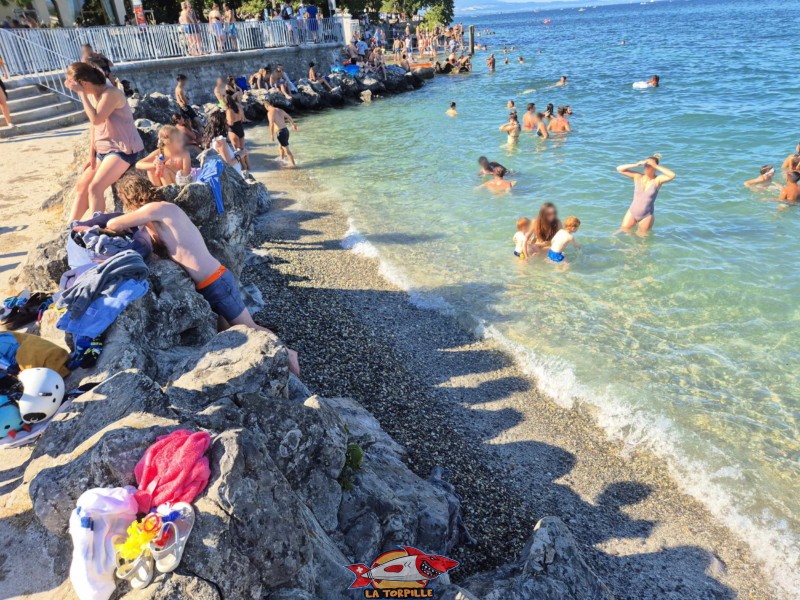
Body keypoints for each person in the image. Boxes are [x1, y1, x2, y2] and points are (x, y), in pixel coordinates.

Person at [107, 174, 300, 376]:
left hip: (216, 281)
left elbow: (114, 225)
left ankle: (288, 354)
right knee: (230, 333)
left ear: (129, 197)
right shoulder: (160, 214)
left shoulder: (156, 208)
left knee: (249, 327)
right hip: (211, 282)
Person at [64, 62, 144, 223]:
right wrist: (91, 153)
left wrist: (82, 94)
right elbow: (94, 127)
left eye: (74, 85)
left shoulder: (111, 94)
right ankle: (71, 227)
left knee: (95, 187)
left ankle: (96, 227)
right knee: (82, 186)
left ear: (84, 83)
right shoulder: (95, 95)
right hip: (103, 150)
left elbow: (96, 119)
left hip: (122, 149)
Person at [615, 156, 676, 235]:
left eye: (649, 166)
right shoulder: (638, 176)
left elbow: (672, 175)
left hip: (646, 216)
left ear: (654, 168)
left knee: (642, 242)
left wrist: (655, 165)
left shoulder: (658, 180)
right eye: (646, 165)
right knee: (623, 231)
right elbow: (619, 169)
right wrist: (636, 165)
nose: (646, 167)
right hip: (632, 212)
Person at [264, 98, 297, 167]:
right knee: (280, 146)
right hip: (286, 130)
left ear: (266, 106)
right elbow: (289, 117)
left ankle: (293, 164)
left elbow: (271, 124)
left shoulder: (270, 112)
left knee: (286, 150)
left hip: (280, 132)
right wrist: (293, 125)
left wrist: (271, 135)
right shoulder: (279, 110)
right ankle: (282, 159)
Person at [225, 91, 250, 174]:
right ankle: (249, 166)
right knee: (243, 149)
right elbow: (243, 119)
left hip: (233, 130)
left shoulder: (229, 110)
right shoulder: (239, 107)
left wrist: (225, 122)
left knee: (238, 151)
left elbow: (230, 123)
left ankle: (244, 168)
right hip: (240, 128)